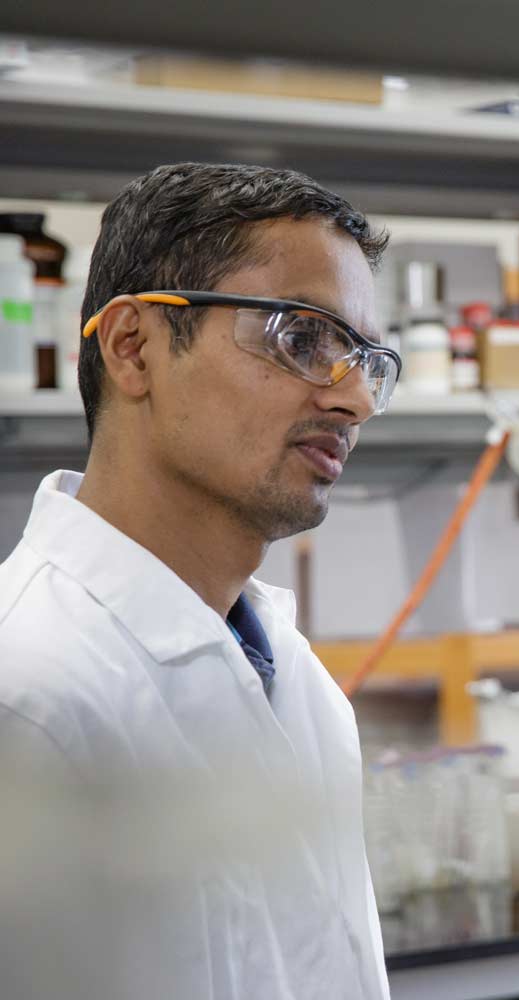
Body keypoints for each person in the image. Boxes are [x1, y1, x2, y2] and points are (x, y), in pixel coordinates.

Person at [0, 162, 401, 999]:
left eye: (365, 358)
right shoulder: (28, 700)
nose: (355, 398)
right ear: (133, 347)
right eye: (304, 338)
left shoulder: (301, 684)